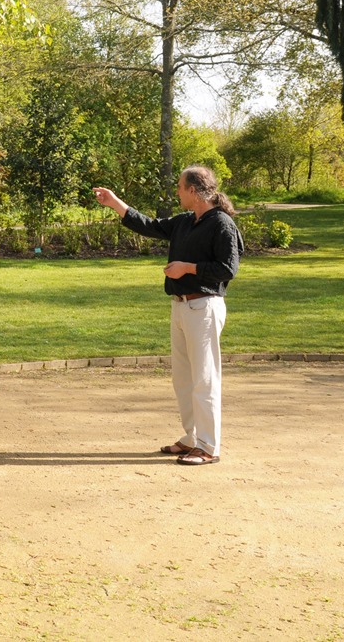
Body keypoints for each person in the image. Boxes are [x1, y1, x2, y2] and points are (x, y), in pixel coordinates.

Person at [93, 165, 245, 466]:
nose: (177, 191)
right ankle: (192, 438)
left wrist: (187, 268)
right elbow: (150, 225)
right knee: (184, 379)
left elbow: (228, 269)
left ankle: (208, 447)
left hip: (204, 307)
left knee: (204, 379)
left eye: (180, 186)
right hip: (181, 306)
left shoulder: (221, 224)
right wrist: (115, 203)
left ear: (193, 190)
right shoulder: (186, 222)